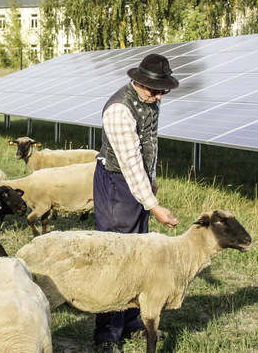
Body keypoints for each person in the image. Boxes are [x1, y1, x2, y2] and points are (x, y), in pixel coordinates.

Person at [92, 53, 180, 353]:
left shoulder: (152, 101)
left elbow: (149, 141)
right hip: (116, 182)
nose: (157, 96)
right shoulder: (119, 110)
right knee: (116, 257)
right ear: (137, 81)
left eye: (161, 90)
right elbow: (129, 161)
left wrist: (151, 181)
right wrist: (153, 205)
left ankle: (131, 322)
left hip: (136, 182)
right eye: (152, 90)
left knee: (138, 255)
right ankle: (106, 335)